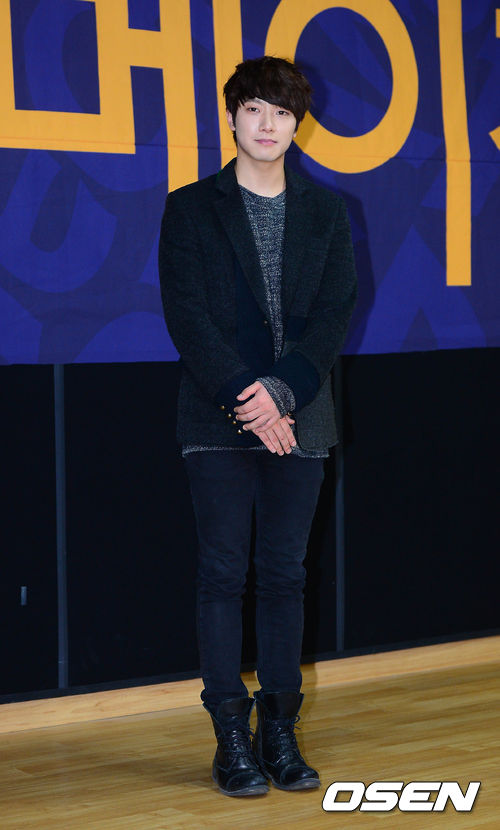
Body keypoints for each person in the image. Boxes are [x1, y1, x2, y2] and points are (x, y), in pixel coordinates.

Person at [158, 56, 357, 797]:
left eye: (281, 111)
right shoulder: (190, 208)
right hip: (216, 412)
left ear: (297, 123)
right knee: (221, 573)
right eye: (254, 109)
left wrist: (280, 394)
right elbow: (187, 315)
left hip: (303, 411)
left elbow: (334, 313)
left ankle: (279, 731)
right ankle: (229, 739)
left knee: (283, 576)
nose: (268, 124)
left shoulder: (326, 211)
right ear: (232, 116)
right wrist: (249, 398)